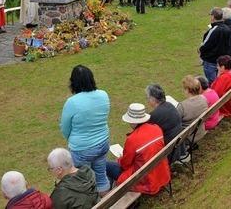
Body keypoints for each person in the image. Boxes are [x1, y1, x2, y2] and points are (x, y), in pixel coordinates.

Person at [59, 65, 111, 195]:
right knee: (101, 176)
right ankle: (106, 201)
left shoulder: (72, 102)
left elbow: (65, 128)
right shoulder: (103, 95)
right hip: (103, 143)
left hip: (82, 150)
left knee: (83, 182)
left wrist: (75, 141)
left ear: (73, 83)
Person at [105, 103, 171, 194]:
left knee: (105, 165)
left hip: (144, 180)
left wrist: (120, 159)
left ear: (133, 121)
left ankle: (108, 193)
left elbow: (125, 165)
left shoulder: (132, 139)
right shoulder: (156, 129)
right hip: (160, 173)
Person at [146, 84, 183, 160]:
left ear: (153, 99)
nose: (147, 100)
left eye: (148, 98)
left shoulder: (154, 115)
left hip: (169, 152)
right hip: (178, 146)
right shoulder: (169, 105)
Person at [199, 7, 231, 83]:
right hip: (221, 60)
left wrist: (200, 50)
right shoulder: (227, 29)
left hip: (211, 60)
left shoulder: (214, 29)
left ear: (213, 17)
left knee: (212, 82)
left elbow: (206, 44)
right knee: (217, 81)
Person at [177, 75, 208, 142]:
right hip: (200, 131)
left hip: (188, 136)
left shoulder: (182, 106)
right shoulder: (204, 99)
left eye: (184, 88)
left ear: (187, 90)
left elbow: (175, 123)